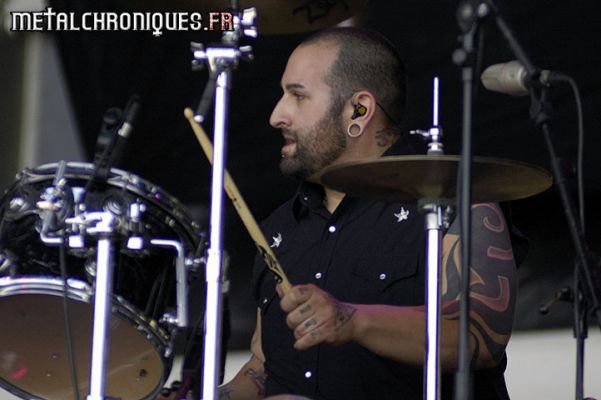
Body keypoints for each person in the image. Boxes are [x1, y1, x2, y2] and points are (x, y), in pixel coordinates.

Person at [218, 27, 517, 400]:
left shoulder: (452, 200)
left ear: (358, 109)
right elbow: (263, 366)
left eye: (298, 96)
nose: (277, 115)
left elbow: (480, 337)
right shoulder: (278, 229)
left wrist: (352, 319)